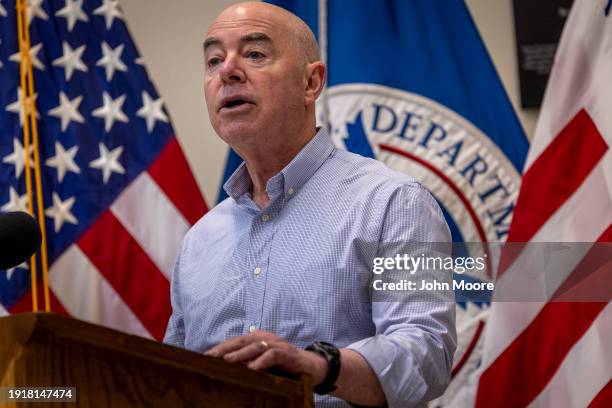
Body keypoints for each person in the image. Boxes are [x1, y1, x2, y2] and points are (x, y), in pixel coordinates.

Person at [164, 2, 456, 407]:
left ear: (311, 82)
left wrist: (320, 368)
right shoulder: (199, 241)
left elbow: (426, 356)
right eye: (214, 60)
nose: (227, 71)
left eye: (254, 54)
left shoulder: (392, 203)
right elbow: (170, 377)